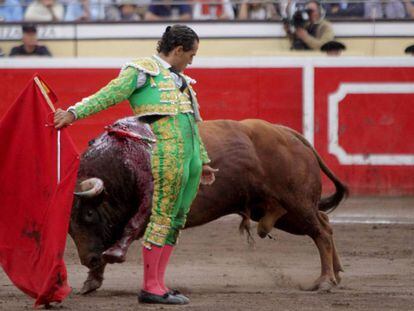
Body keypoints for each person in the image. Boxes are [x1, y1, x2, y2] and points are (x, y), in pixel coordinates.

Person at [54, 25, 217, 305]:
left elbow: (191, 123)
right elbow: (109, 95)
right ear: (177, 50)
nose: (192, 60)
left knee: (176, 220)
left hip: (188, 156)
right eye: (191, 54)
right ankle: (151, 287)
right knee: (163, 217)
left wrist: (202, 160)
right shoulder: (142, 71)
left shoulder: (182, 81)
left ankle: (160, 284)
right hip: (166, 151)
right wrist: (73, 112)